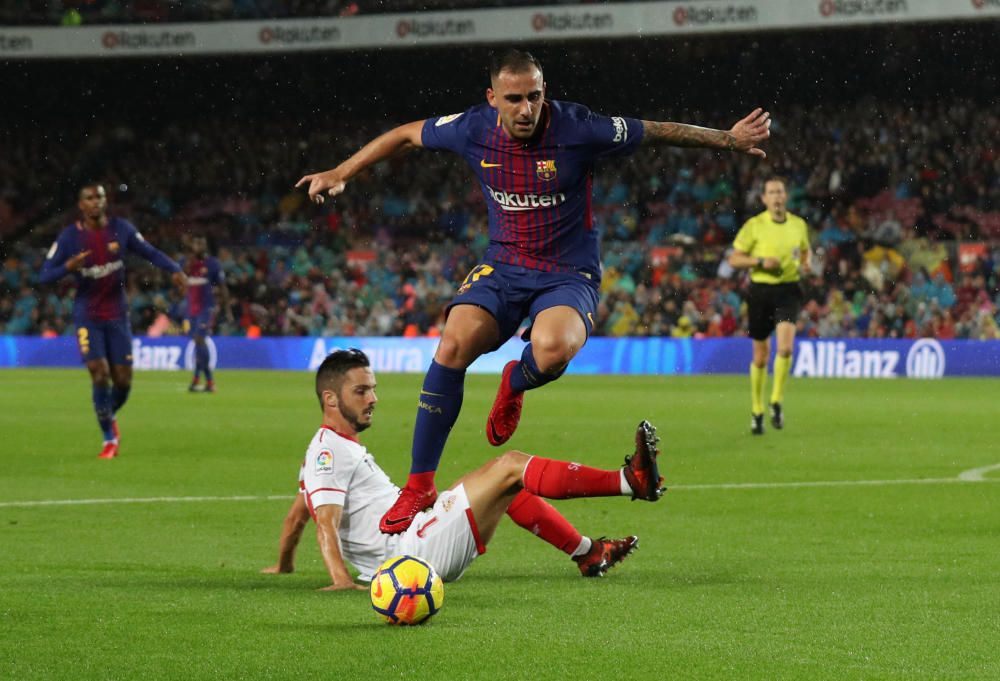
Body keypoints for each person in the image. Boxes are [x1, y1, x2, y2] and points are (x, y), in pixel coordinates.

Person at [296, 48, 770, 533]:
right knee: (454, 342)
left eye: (535, 97)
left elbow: (657, 131)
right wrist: (340, 172)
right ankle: (419, 484)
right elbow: (403, 135)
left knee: (552, 348)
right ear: (492, 98)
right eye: (515, 99)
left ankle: (514, 381)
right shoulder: (470, 128)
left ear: (547, 93)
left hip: (568, 271)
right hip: (504, 265)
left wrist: (728, 140)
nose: (526, 109)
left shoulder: (580, 127)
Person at [264, 349, 665, 589]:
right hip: (411, 553)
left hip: (414, 538)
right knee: (510, 467)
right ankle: (630, 482)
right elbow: (325, 522)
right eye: (362, 390)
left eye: (372, 388)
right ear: (331, 399)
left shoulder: (329, 450)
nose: (374, 398)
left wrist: (285, 564)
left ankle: (589, 553)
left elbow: (299, 515)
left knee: (504, 487)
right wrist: (340, 579)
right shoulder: (328, 453)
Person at [38, 183, 187, 459]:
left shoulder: (122, 229)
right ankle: (109, 439)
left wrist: (174, 268)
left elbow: (150, 252)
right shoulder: (69, 237)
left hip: (117, 316)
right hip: (87, 316)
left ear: (106, 201)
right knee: (99, 371)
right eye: (89, 198)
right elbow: (44, 276)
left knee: (123, 381)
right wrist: (67, 268)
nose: (95, 202)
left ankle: (106, 413)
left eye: (99, 197)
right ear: (81, 205)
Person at [728, 177, 812, 435]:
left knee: (785, 348)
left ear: (785, 196)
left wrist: (807, 264)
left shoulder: (798, 225)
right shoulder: (754, 226)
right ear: (764, 199)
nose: (776, 197)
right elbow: (734, 259)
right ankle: (757, 410)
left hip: (789, 289)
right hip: (760, 291)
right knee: (761, 356)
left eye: (780, 192)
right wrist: (761, 262)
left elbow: (806, 252)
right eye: (771, 192)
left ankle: (776, 400)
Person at [181, 235, 230, 393]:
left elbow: (223, 287)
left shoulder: (213, 264)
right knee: (197, 341)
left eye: (201, 243)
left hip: (206, 308)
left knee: (200, 339)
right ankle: (202, 380)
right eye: (196, 243)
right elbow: (180, 279)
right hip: (191, 309)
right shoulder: (187, 263)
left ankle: (205, 380)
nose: (199, 246)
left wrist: (227, 309)